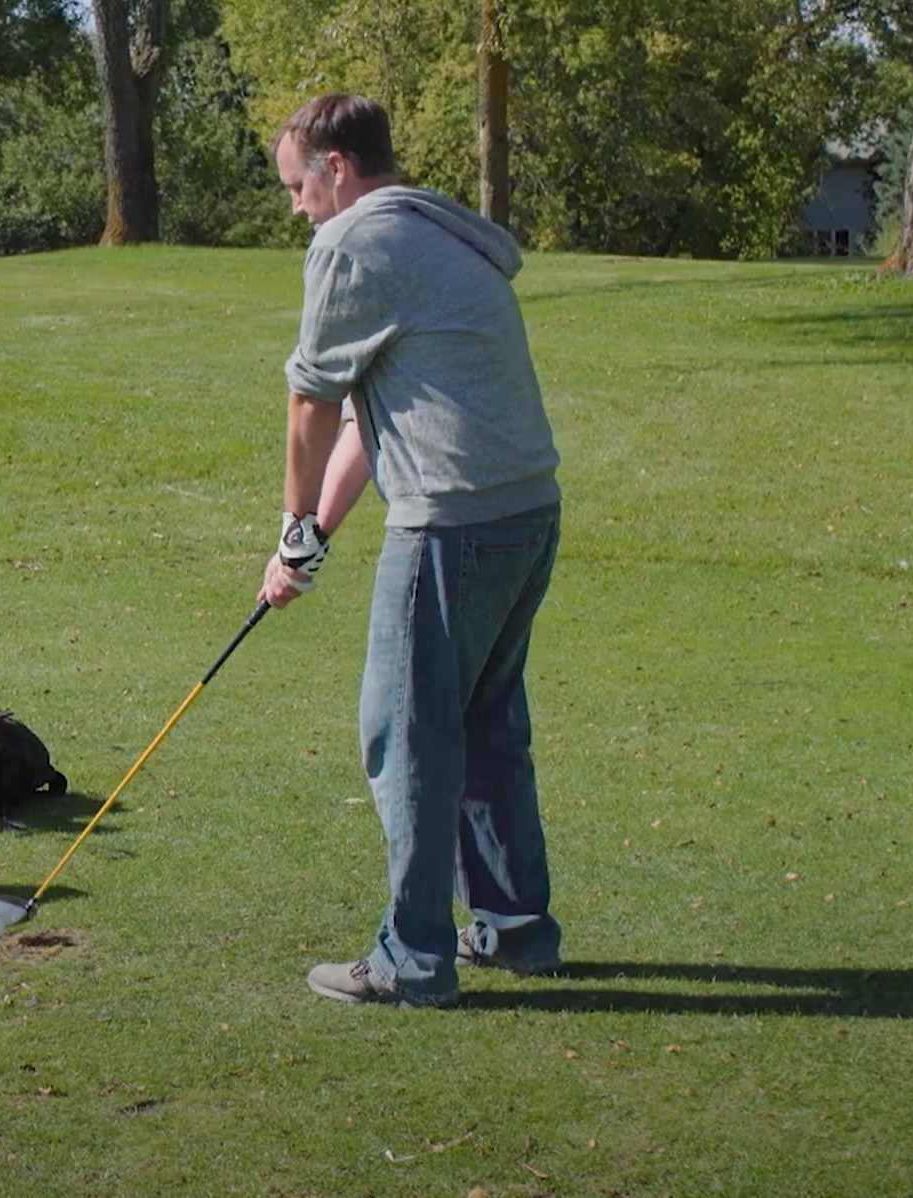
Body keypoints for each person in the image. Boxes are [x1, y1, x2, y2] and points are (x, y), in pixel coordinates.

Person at [257, 93, 564, 1007]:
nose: (296, 207)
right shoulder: (438, 232)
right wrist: (309, 542)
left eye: (296, 188)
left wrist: (288, 524)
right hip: (525, 513)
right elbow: (365, 416)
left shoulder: (351, 244)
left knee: (408, 738)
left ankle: (412, 960)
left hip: (451, 526)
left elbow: (310, 403)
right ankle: (514, 932)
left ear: (335, 169)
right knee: (484, 728)